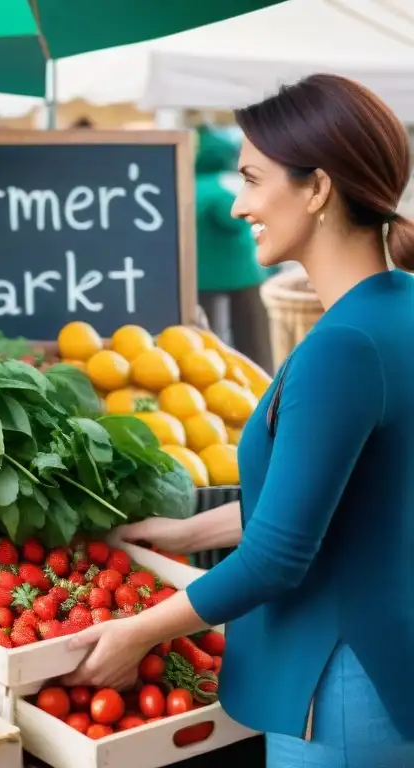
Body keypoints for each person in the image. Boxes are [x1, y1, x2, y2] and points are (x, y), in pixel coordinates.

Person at [61, 73, 414, 766]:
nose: (238, 201)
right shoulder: (399, 308)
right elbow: (341, 504)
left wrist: (137, 632)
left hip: (334, 689)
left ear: (316, 189)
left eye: (252, 178)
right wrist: (191, 529)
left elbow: (279, 557)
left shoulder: (342, 347)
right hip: (384, 672)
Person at [194, 124, 275, 373]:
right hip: (242, 273)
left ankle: (212, 376)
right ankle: (261, 379)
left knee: (206, 338)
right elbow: (231, 218)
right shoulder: (226, 184)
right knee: (254, 336)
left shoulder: (187, 184)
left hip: (200, 276)